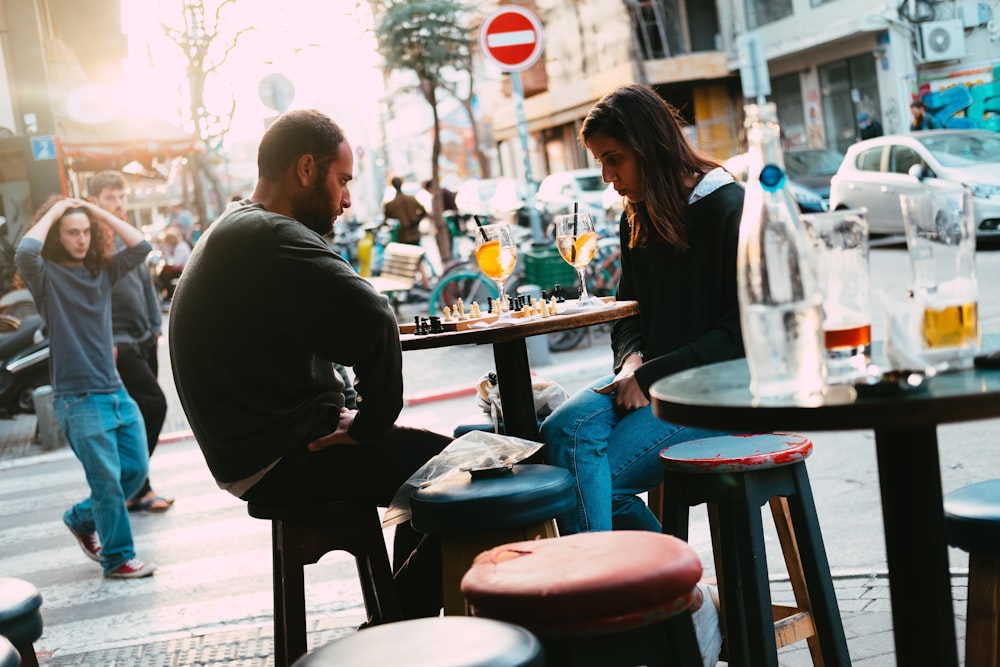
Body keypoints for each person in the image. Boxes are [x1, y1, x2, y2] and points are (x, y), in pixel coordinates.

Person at [168, 109, 450, 619]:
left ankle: (399, 624)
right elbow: (375, 315)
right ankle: (403, 634)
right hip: (280, 457)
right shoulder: (269, 234)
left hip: (255, 452)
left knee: (431, 470)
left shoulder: (237, 229)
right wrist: (369, 424)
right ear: (305, 169)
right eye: (342, 181)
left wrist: (354, 413)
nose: (346, 199)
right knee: (464, 474)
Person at [538, 83, 739, 665]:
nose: (607, 177)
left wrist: (652, 375)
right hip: (657, 386)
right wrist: (631, 361)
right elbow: (629, 312)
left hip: (719, 394)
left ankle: (610, 624)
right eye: (601, 162)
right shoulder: (639, 216)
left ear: (650, 146)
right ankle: (683, 598)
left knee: (589, 464)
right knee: (565, 430)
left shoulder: (728, 208)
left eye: (613, 159)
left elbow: (740, 334)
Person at [15, 195, 157, 579]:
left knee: (134, 471)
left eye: (85, 232)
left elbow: (141, 246)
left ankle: (81, 518)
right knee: (108, 482)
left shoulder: (102, 271)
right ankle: (118, 559)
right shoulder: (46, 277)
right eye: (71, 232)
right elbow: (25, 251)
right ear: (58, 236)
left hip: (115, 390)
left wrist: (94, 211)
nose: (80, 239)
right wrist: (57, 209)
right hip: (78, 398)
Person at [87, 171, 173, 514]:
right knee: (154, 406)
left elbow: (146, 285)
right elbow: (92, 298)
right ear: (95, 201)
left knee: (138, 413)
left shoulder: (128, 236)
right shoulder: (92, 240)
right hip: (118, 341)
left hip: (144, 336)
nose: (118, 203)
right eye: (110, 197)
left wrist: (155, 325)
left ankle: (138, 487)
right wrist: (108, 340)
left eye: (121, 197)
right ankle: (132, 484)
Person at [382, 176, 426, 245]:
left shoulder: (390, 204)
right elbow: (424, 212)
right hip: (413, 234)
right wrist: (417, 221)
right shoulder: (411, 199)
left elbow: (385, 221)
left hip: (401, 236)